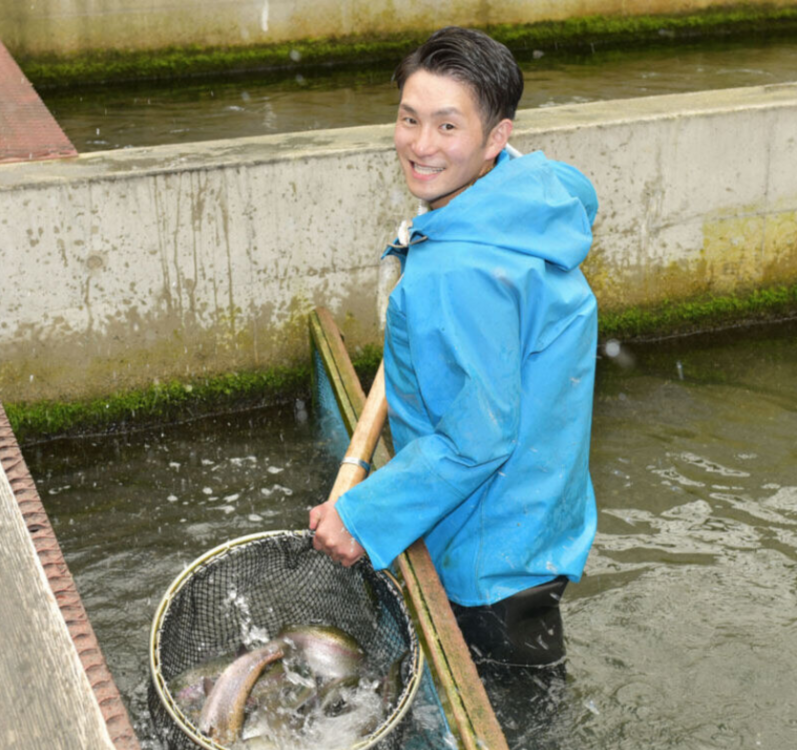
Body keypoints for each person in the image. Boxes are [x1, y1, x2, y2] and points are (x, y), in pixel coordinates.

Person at [309, 26, 598, 670]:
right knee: (539, 686)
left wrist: (362, 517)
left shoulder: (456, 271)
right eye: (409, 119)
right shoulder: (533, 204)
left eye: (447, 127)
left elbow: (478, 438)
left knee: (508, 706)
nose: (419, 145)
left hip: (486, 558)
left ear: (497, 137)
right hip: (539, 523)